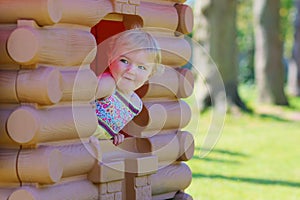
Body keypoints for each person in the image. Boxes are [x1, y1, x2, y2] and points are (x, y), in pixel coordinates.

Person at [93, 29, 161, 146]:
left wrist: (112, 135)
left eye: (141, 67)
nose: (131, 70)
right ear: (110, 60)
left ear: (150, 74)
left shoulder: (136, 105)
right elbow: (78, 104)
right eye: (124, 61)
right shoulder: (108, 84)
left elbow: (104, 126)